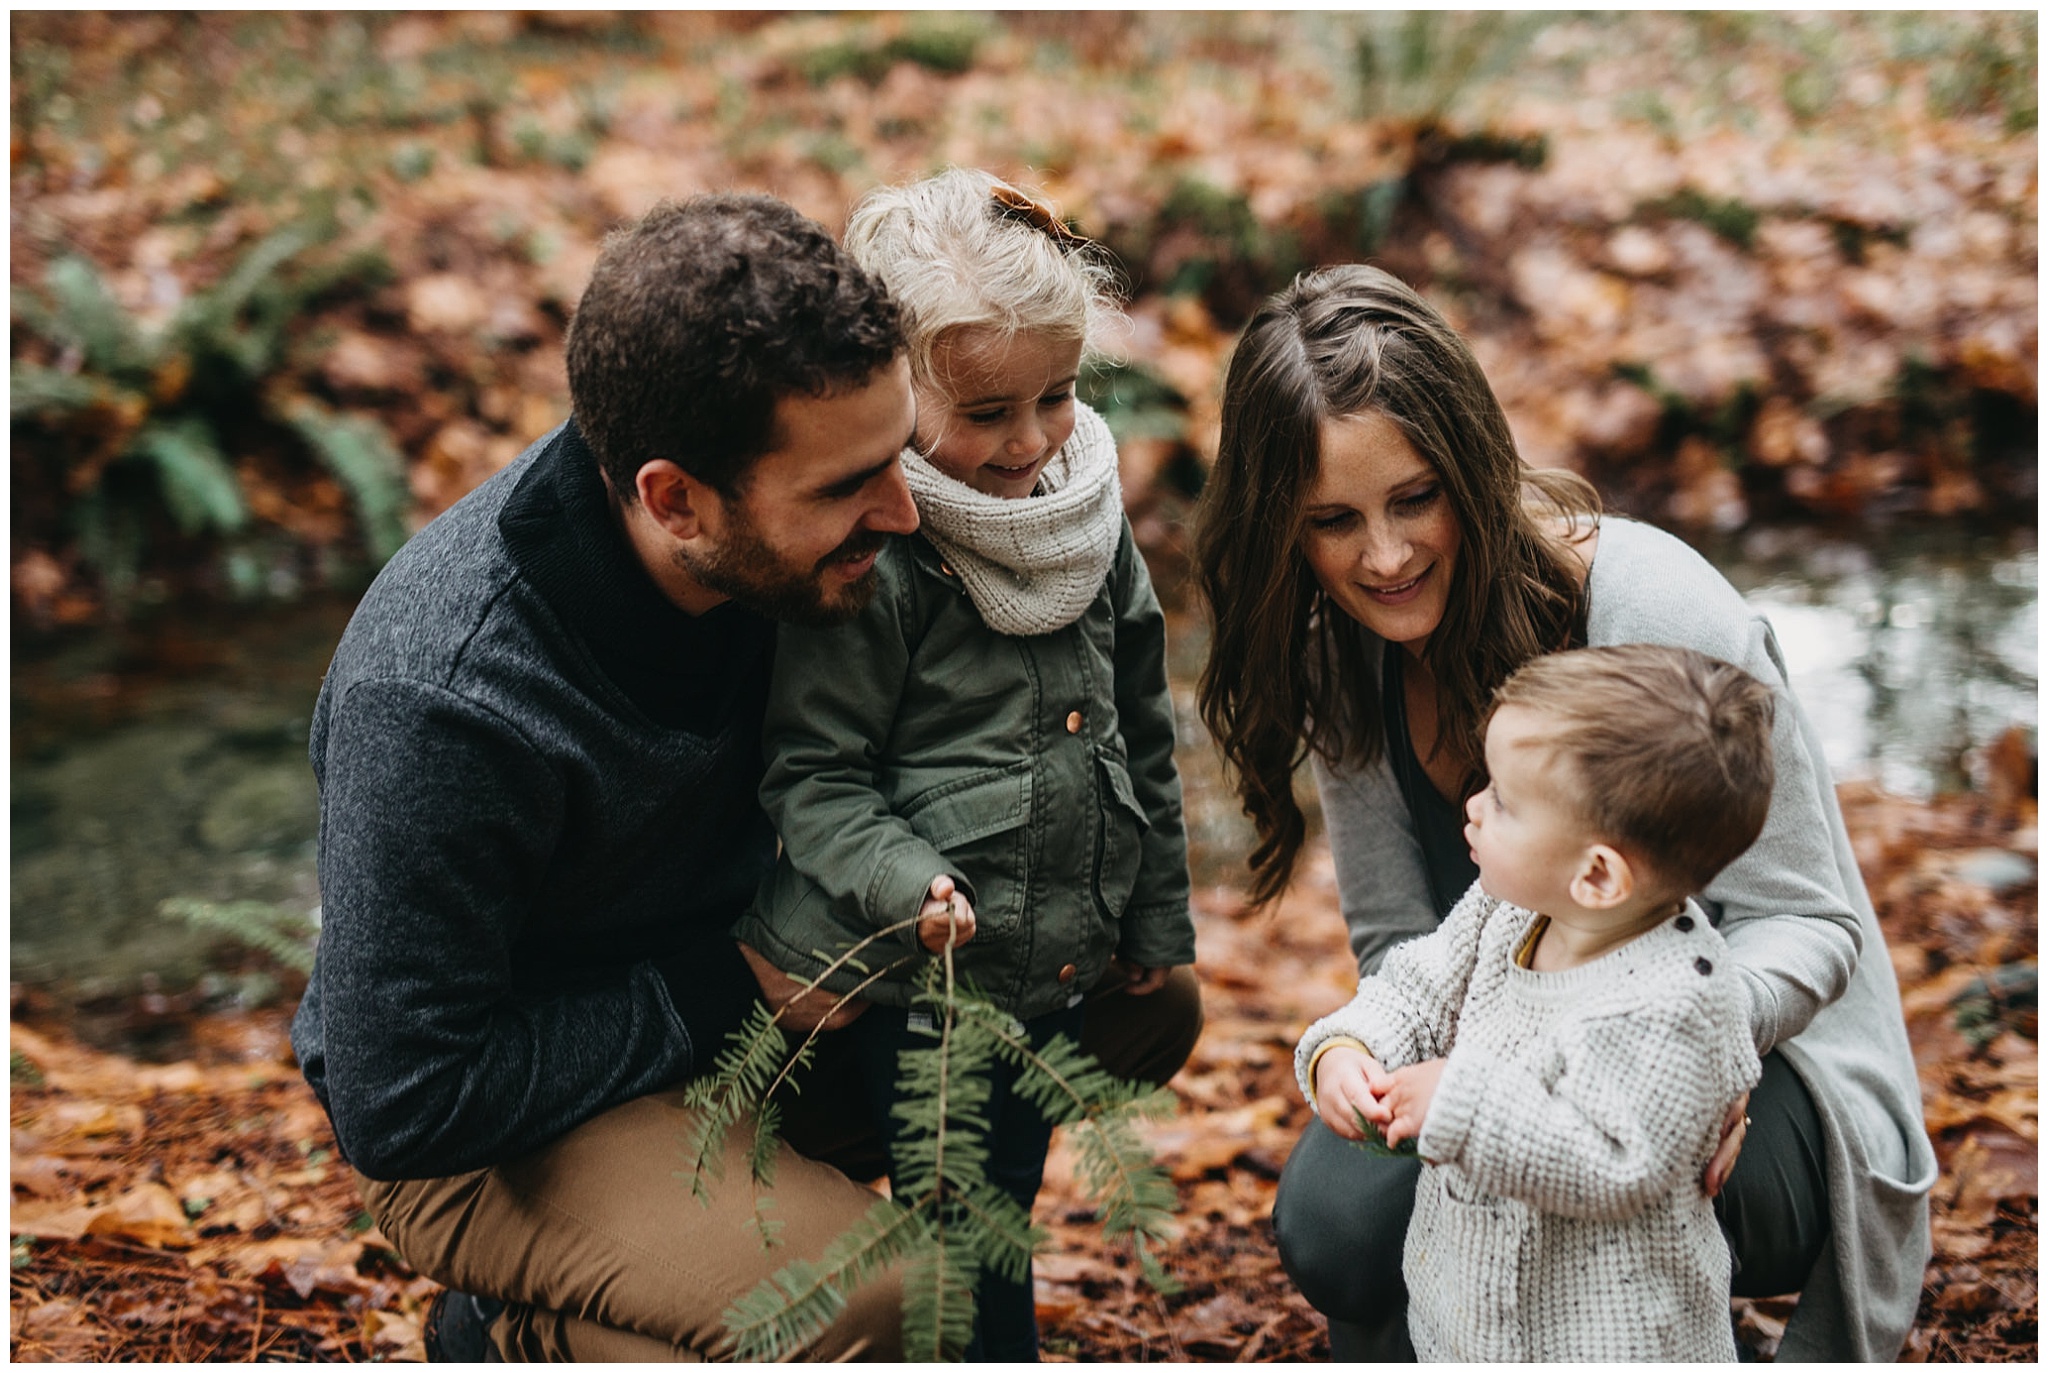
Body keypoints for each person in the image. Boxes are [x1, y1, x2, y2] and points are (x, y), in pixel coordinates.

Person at [288, 192, 1202, 1362]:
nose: (904, 511)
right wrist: (734, 986)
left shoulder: (788, 527)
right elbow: (402, 1099)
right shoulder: (445, 697)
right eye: (845, 490)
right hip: (502, 1124)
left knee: (1136, 1009)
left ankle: (698, 1240)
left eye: (895, 453)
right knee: (882, 1297)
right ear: (675, 499)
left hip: (753, 1017)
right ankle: (517, 1331)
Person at [1194, 263, 1935, 1362]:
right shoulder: (1339, 654)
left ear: (1470, 467)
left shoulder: (1648, 605)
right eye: (1332, 521)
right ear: (1280, 531)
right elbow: (1400, 942)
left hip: (1747, 1059)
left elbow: (1809, 925)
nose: (1385, 555)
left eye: (1413, 498)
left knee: (1579, 1177)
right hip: (1504, 1033)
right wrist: (1366, 1046)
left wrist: (1709, 1048)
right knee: (1336, 1223)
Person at [733, 167, 1197, 1362]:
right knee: (952, 1245)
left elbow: (1142, 734)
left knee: (993, 1211)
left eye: (1057, 395)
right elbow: (813, 775)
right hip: (901, 979)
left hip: (1043, 970)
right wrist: (904, 881)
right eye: (986, 410)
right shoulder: (877, 562)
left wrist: (1157, 931)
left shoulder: (1086, 520)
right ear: (892, 388)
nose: (1030, 440)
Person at [1300, 644, 1773, 1361]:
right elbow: (1416, 988)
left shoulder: (1678, 998)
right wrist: (1350, 1047)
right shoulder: (1508, 908)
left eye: (1504, 801)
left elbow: (1612, 1158)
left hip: (1609, 1336)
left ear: (1597, 874)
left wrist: (1460, 1098)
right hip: (1473, 1316)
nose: (1474, 804)